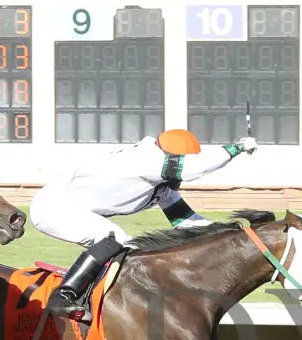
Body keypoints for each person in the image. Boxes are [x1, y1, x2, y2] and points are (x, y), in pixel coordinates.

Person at [29, 129, 258, 319]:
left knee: (130, 246)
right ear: (171, 156)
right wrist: (234, 149)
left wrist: (233, 235)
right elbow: (191, 170)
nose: (178, 180)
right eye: (181, 160)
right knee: (116, 237)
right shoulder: (147, 160)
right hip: (52, 207)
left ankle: (97, 298)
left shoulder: (161, 185)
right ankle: (63, 297)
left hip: (71, 209)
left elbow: (187, 222)